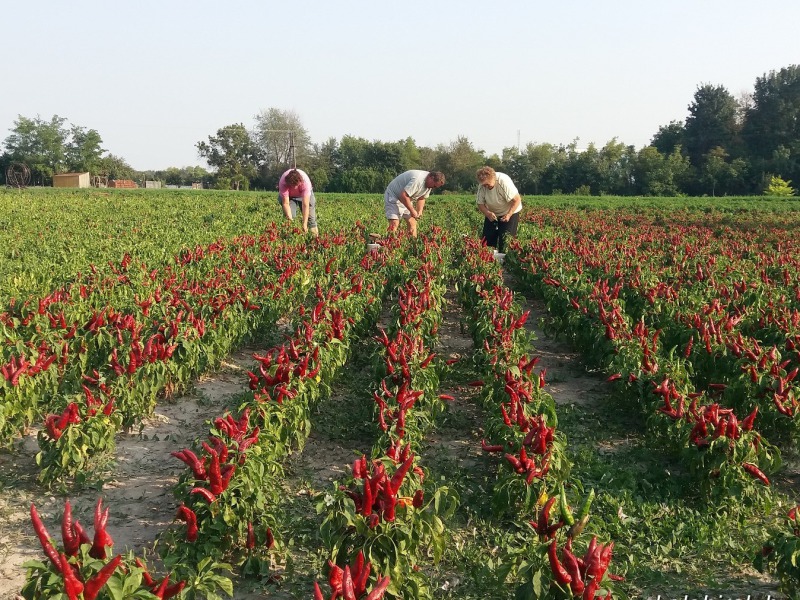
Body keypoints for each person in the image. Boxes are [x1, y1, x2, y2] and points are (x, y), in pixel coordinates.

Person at [383, 170, 445, 237]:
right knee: (394, 223)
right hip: (394, 195)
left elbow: (422, 198)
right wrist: (412, 211)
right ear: (431, 178)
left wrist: (419, 211)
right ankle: (389, 244)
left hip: (406, 198)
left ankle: (412, 244)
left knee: (412, 222)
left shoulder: (428, 184)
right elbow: (403, 195)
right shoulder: (418, 180)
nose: (433, 188)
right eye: (434, 186)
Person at [475, 166, 522, 253]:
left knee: (505, 240)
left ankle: (505, 261)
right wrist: (488, 213)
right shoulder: (482, 185)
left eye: (487, 184)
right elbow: (480, 203)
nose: (485, 186)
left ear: (493, 178)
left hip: (509, 211)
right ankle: (490, 261)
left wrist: (508, 215)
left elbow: (517, 200)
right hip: (492, 213)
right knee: (487, 241)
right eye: (483, 185)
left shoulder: (503, 182)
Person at [278, 168, 319, 236]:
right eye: (292, 185)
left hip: (305, 195)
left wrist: (304, 223)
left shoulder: (305, 183)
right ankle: (289, 239)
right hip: (289, 197)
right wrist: (290, 220)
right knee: (290, 219)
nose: (294, 188)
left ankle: (315, 239)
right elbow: (286, 203)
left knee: (311, 220)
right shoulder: (283, 182)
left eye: (296, 185)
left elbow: (305, 205)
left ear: (300, 181)